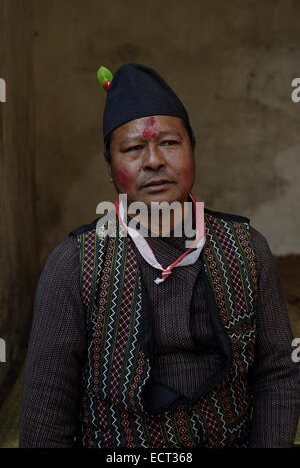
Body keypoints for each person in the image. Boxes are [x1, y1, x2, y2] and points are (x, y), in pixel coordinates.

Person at [19, 63, 299, 448]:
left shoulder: (246, 249)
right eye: (133, 148)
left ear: (193, 152)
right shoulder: (75, 264)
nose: (153, 161)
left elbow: (277, 374)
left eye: (169, 143)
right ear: (110, 169)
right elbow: (45, 414)